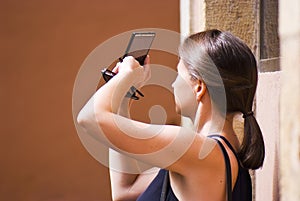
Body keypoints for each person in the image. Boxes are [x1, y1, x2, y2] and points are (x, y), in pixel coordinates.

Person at [77, 29, 265, 201]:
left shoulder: (196, 150)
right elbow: (125, 191)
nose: (173, 84)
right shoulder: (209, 155)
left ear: (199, 87)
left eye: (178, 73)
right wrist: (124, 99)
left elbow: (89, 117)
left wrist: (125, 78)